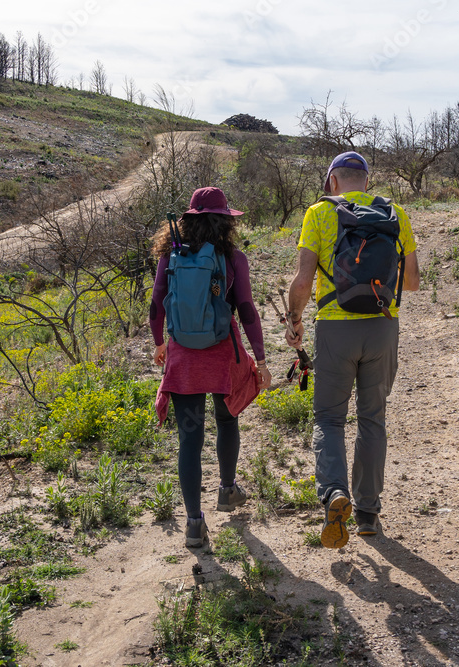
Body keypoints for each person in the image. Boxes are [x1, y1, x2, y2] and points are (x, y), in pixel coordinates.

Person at [285, 152, 420, 549]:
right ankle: (367, 513)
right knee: (372, 419)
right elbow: (411, 283)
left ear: (331, 183)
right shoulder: (396, 214)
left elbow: (303, 279)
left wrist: (294, 319)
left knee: (328, 418)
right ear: (366, 181)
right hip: (382, 327)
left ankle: (333, 493)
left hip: (334, 329)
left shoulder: (319, 214)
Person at [150, 187, 272, 547]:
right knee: (226, 419)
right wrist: (261, 359)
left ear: (188, 220)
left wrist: (160, 343)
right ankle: (227, 489)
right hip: (222, 355)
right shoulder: (233, 258)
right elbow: (247, 310)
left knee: (189, 439)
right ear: (224, 221)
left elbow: (157, 304)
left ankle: (193, 523)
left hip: (184, 355)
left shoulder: (170, 255)